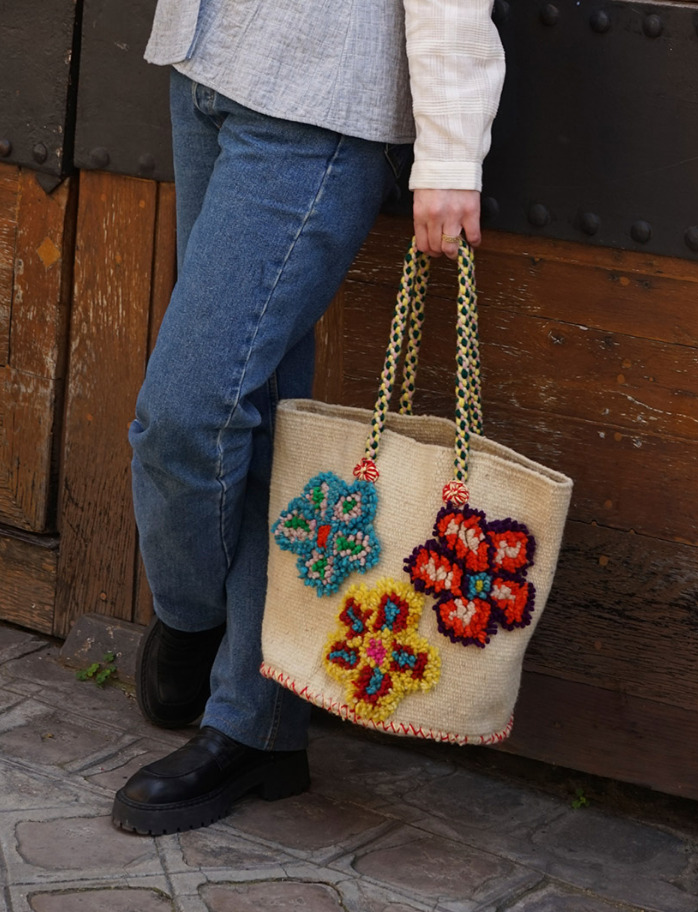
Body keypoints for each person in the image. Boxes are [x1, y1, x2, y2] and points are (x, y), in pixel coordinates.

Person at [111, 0, 505, 835]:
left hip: (319, 103)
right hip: (206, 65)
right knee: (259, 415)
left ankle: (193, 621)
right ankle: (259, 729)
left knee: (188, 413)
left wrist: (450, 156)